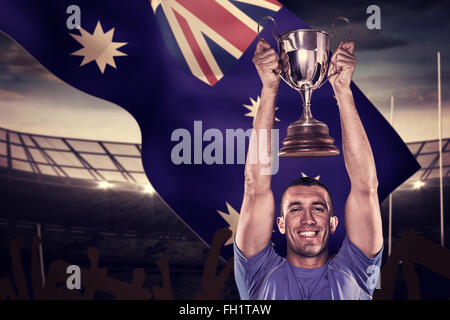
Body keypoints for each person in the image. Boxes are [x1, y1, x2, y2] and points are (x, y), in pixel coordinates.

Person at [233, 38, 383, 300]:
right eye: (295, 209)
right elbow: (254, 189)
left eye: (318, 208)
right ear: (279, 224)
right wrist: (269, 88)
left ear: (334, 223)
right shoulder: (256, 274)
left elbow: (366, 188)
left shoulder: (357, 272)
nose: (308, 219)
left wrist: (343, 90)